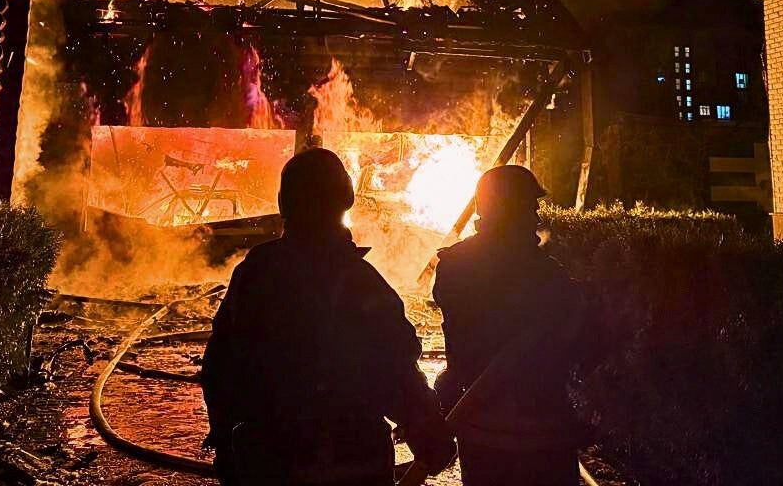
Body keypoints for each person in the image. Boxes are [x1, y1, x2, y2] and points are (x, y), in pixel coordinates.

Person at [201, 147, 455, 486]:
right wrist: (428, 434)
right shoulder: (360, 283)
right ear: (345, 198)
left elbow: (220, 364)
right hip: (350, 460)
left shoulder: (255, 274)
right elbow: (394, 371)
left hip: (267, 460)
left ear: (283, 203)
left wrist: (224, 437)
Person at [432, 165, 585, 486]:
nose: (537, 215)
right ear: (511, 210)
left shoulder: (456, 265)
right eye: (530, 206)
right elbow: (577, 346)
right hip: (543, 429)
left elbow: (459, 341)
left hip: (480, 426)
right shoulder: (546, 274)